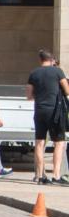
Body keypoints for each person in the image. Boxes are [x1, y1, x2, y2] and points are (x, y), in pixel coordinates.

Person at [26, 49, 69, 185]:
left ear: (40, 60)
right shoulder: (57, 71)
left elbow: (29, 96)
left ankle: (40, 175)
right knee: (59, 142)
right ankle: (56, 175)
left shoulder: (33, 73)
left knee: (39, 142)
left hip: (39, 110)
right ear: (51, 60)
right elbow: (67, 90)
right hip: (55, 111)